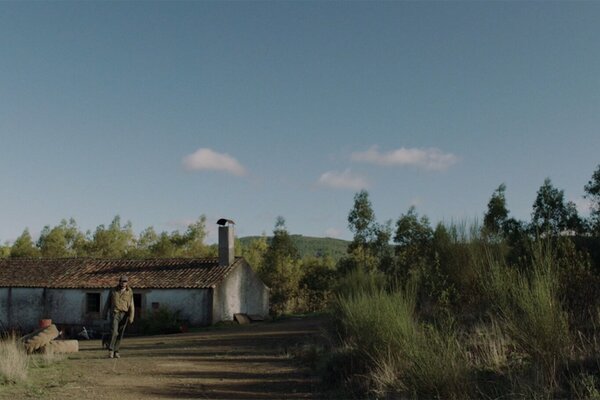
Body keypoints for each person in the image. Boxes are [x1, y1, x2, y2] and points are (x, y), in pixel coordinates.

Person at [102, 275, 135, 359]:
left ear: (127, 282)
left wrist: (131, 316)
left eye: (125, 281)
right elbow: (107, 303)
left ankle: (116, 351)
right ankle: (111, 350)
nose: (123, 283)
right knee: (114, 332)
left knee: (120, 333)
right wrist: (104, 314)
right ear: (119, 282)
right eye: (122, 281)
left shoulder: (130, 291)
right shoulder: (113, 290)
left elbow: (131, 305)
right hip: (115, 313)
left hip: (124, 314)